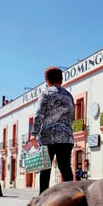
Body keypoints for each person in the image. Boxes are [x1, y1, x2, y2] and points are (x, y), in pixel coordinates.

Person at [30, 66, 75, 195]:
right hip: (66, 137)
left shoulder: (46, 94)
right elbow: (72, 116)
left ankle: (43, 198)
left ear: (47, 80)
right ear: (61, 80)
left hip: (49, 137)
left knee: (45, 169)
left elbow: (39, 114)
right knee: (65, 167)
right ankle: (71, 197)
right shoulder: (68, 95)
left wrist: (34, 133)